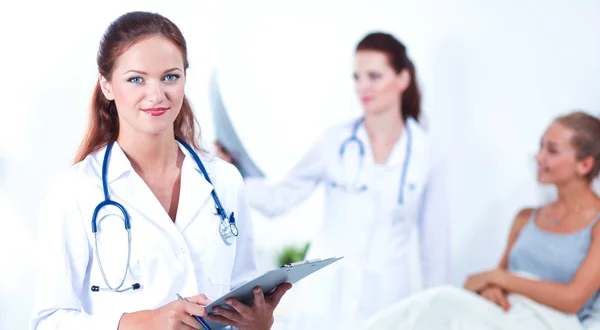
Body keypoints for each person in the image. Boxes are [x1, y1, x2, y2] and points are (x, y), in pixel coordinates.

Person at [29, 11, 291, 330]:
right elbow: (48, 321)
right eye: (136, 79)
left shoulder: (224, 180)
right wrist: (144, 322)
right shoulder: (75, 191)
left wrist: (257, 325)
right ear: (107, 86)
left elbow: (242, 300)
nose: (156, 95)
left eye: (170, 76)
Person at [216, 32, 450, 329]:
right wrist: (230, 171)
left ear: (403, 79)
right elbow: (279, 200)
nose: (362, 87)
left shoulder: (427, 152)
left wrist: (439, 313)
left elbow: (435, 249)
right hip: (325, 297)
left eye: (374, 76)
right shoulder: (335, 142)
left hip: (390, 297)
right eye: (357, 77)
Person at [357, 111, 600, 330]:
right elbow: (492, 278)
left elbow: (573, 299)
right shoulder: (526, 218)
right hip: (507, 313)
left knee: (441, 303)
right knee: (434, 305)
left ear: (585, 164)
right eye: (541, 147)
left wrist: (501, 279)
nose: (539, 156)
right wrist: (491, 287)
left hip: (554, 322)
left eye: (552, 150)